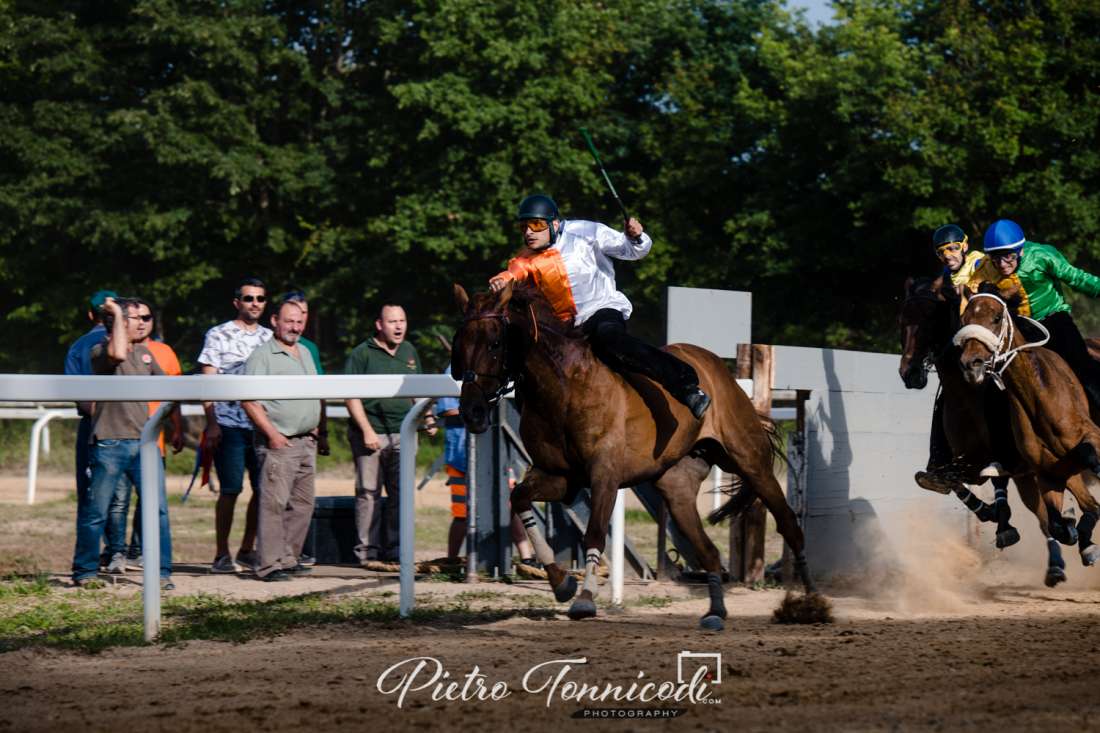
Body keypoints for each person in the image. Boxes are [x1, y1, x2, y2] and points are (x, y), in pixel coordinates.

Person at [488, 194, 710, 419]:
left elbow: (634, 251)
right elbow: (515, 272)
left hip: (601, 311)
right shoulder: (524, 258)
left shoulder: (586, 231)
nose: (529, 232)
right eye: (524, 226)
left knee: (609, 338)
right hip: (567, 330)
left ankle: (685, 386)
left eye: (536, 225)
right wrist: (503, 278)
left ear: (555, 224)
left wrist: (636, 237)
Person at [71, 297, 178, 588]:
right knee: (97, 512)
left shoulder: (145, 354)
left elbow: (171, 385)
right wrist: (117, 312)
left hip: (145, 443)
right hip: (109, 443)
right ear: (117, 322)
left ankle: (161, 572)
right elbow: (117, 354)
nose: (142, 323)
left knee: (158, 511)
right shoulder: (99, 351)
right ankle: (85, 572)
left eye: (145, 318)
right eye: (134, 318)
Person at [967, 219, 1100, 411]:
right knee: (993, 384)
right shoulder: (984, 269)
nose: (1003, 265)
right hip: (1016, 328)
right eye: (996, 260)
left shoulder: (1041, 255)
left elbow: (1078, 278)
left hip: (1054, 320)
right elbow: (971, 302)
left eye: (1009, 258)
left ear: (1020, 250)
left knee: (1082, 367)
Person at [344, 303, 437, 564]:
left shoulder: (409, 351)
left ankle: (397, 550)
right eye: (392, 322)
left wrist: (427, 417)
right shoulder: (362, 353)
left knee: (401, 494)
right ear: (379, 325)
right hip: (371, 433)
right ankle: (367, 552)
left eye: (402, 321)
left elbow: (416, 389)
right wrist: (367, 431)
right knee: (368, 493)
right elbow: (351, 396)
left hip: (404, 433)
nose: (398, 327)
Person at [197, 277, 272, 573]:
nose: (255, 304)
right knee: (230, 489)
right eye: (249, 298)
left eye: (260, 299)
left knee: (262, 488)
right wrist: (212, 423)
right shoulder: (218, 334)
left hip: (260, 424)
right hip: (228, 423)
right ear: (237, 302)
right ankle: (221, 553)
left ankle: (247, 549)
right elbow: (207, 381)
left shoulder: (270, 337)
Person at [242, 300, 321, 581]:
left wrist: (316, 429)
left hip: (306, 441)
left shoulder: (305, 352)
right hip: (279, 442)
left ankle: (288, 558)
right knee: (274, 505)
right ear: (275, 320)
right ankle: (268, 565)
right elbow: (249, 400)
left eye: (299, 322)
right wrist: (272, 435)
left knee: (303, 504)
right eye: (289, 321)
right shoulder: (263, 355)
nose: (295, 327)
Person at [64, 289, 117, 513]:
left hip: (92, 426)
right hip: (128, 427)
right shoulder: (135, 345)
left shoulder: (78, 346)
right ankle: (124, 548)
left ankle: (88, 547)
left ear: (89, 315)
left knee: (89, 496)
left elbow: (77, 394)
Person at [932, 224, 983, 289]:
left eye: (952, 248)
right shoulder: (946, 274)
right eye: (941, 252)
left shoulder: (979, 264)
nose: (947, 256)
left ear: (964, 247)